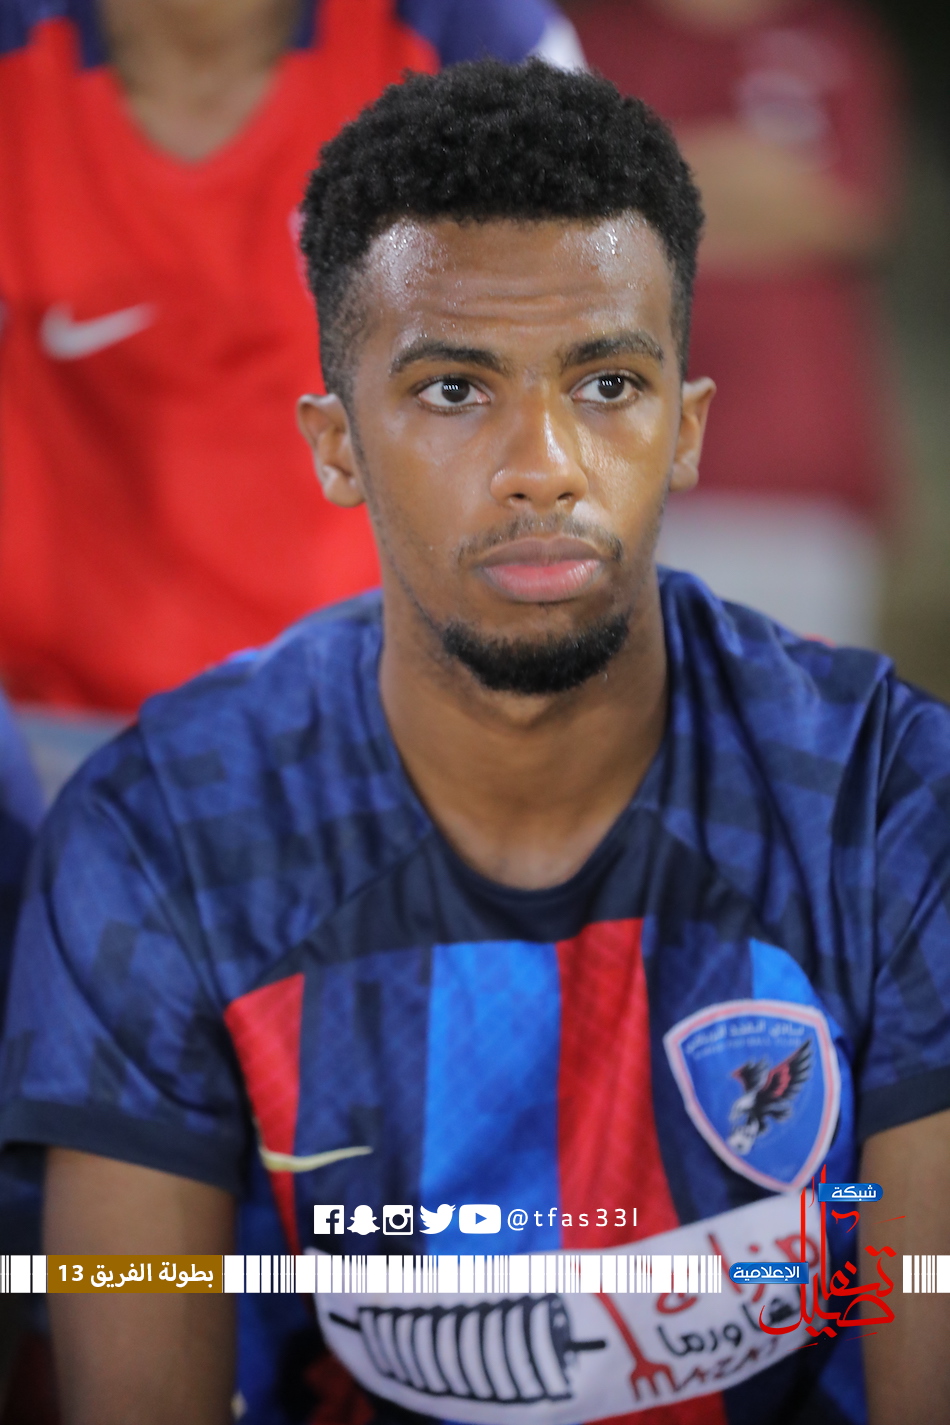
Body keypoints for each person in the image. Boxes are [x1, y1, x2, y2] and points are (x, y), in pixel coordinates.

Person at [1, 58, 948, 1425]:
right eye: (453, 390)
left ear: (685, 430)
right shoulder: (159, 837)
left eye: (606, 382)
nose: (542, 464)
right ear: (335, 448)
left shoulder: (888, 798)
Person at [0, 0, 583, 718]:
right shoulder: (18, 47)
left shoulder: (463, 32)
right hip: (47, 707)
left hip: (380, 705)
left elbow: (590, 357)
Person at [566, 0, 903, 646]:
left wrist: (654, 200)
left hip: (800, 476)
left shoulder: (831, 40)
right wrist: (746, 182)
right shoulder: (582, 36)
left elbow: (849, 215)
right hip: (616, 475)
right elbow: (563, 222)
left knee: (797, 703)